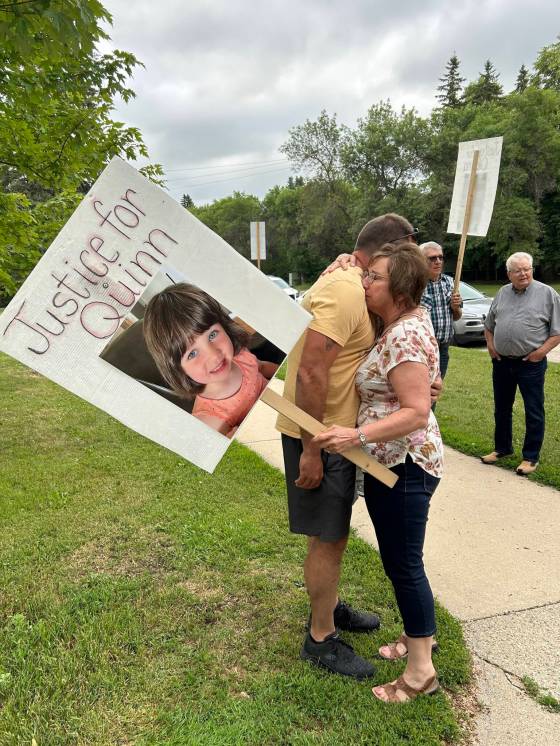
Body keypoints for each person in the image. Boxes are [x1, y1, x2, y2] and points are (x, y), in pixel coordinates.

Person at [276, 214, 423, 681]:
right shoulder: (344, 289)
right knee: (330, 538)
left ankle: (331, 608)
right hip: (322, 436)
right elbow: (311, 372)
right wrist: (313, 449)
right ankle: (321, 639)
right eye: (407, 249)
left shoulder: (352, 282)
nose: (411, 259)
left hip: (338, 435)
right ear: (386, 250)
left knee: (334, 533)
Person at [313, 241, 442, 703]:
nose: (366, 284)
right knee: (402, 561)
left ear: (402, 287)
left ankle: (420, 670)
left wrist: (356, 436)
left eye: (376, 278)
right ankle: (414, 638)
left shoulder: (404, 335)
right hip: (396, 464)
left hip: (403, 466)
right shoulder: (403, 325)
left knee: (403, 565)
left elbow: (415, 413)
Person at [143, 283, 278, 437]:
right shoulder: (209, 423)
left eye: (212, 335)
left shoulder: (240, 356)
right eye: (192, 354)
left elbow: (262, 367)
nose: (214, 355)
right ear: (177, 369)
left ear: (224, 326)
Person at [482, 252, 560, 476]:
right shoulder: (502, 293)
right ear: (509, 274)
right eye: (518, 270)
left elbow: (557, 331)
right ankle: (502, 448)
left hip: (530, 364)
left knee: (533, 410)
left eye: (527, 269)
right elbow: (489, 325)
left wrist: (540, 353)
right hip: (502, 362)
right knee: (502, 408)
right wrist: (490, 345)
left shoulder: (547, 294)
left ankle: (530, 457)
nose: (524, 273)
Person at [419, 241, 462, 383]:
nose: (438, 261)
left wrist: (455, 308)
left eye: (440, 257)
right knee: (421, 390)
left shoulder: (450, 283)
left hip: (443, 347)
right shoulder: (415, 285)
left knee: (435, 389)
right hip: (421, 348)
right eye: (432, 258)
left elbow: (456, 317)